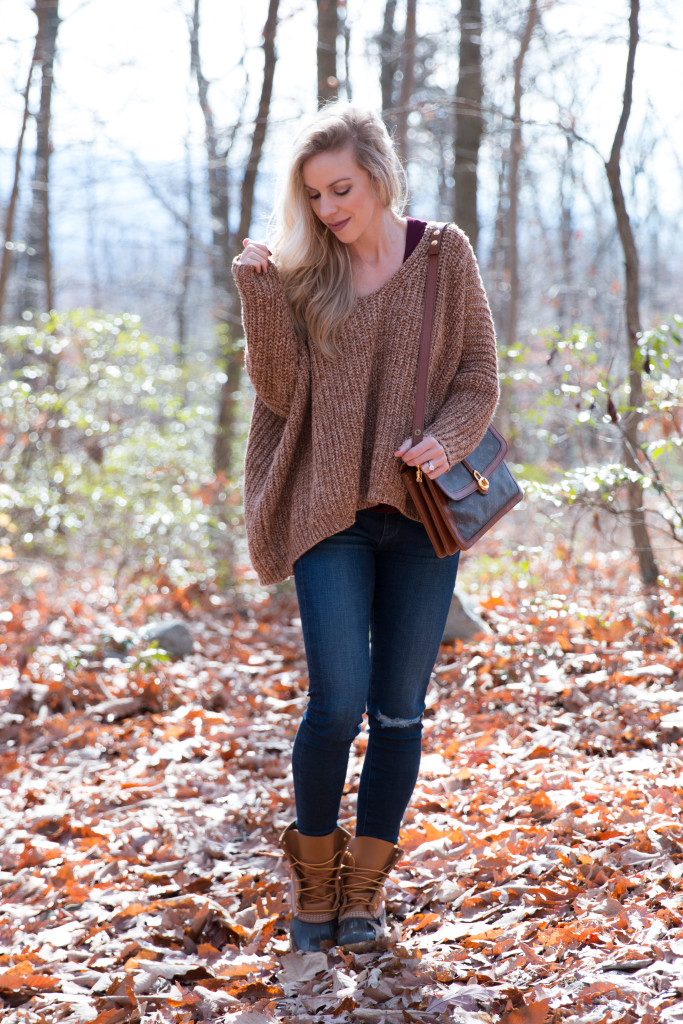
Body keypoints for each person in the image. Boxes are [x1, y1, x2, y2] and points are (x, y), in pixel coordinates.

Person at [232, 104, 499, 954]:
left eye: (340, 189)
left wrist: (447, 438)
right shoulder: (304, 273)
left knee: (397, 715)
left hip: (420, 517)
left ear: (379, 176)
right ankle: (314, 886)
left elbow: (477, 376)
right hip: (330, 513)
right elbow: (278, 394)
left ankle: (364, 893)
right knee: (335, 704)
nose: (327, 209)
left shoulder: (443, 255)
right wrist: (258, 293)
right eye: (313, 196)